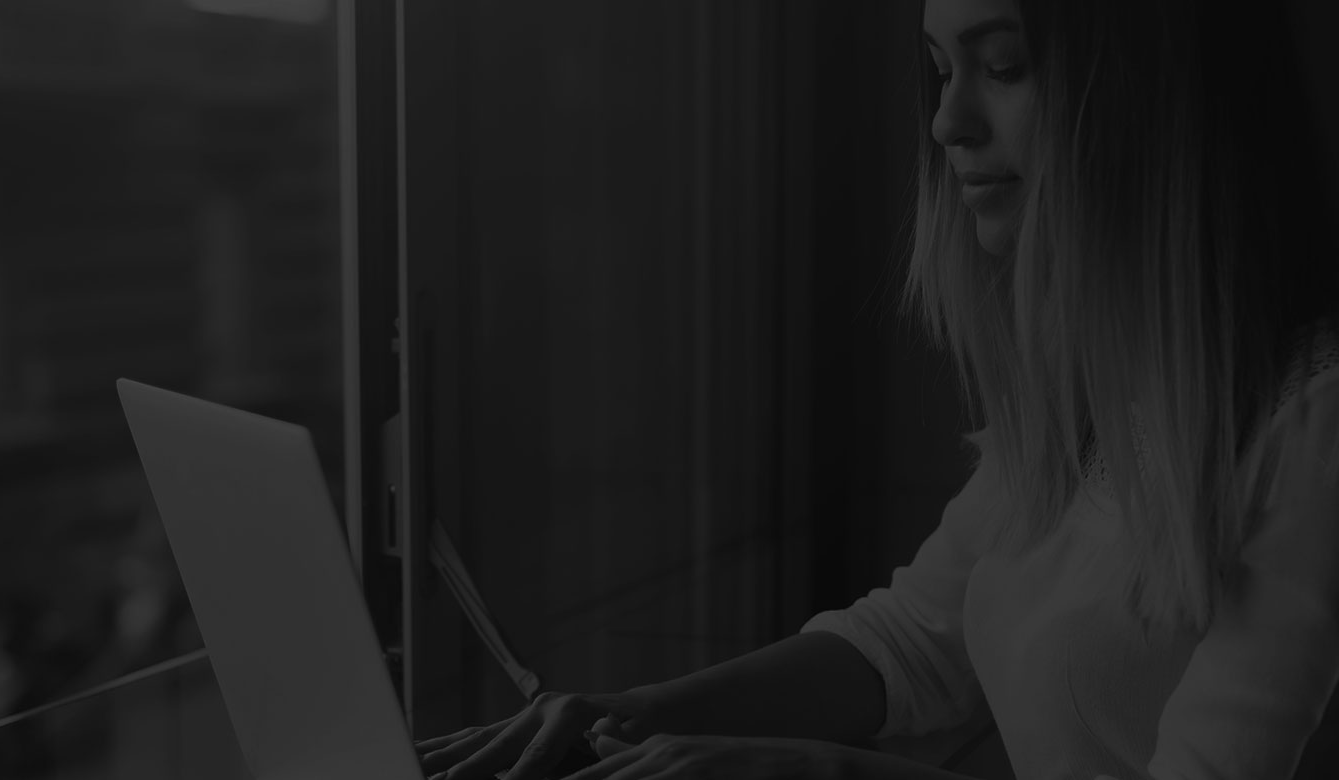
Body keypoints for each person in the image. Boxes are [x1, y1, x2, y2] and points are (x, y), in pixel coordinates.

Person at [413, 0, 1339, 777]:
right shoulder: (1090, 389)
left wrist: (823, 771)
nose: (947, 123)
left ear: (1159, 99)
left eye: (1005, 67)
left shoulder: (1312, 428)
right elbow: (910, 641)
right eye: (940, 70)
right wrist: (632, 710)